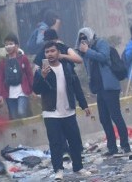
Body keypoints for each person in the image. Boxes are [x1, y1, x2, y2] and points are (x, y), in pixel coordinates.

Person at [33, 41, 91, 181]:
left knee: (75, 141)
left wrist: (84, 105)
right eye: (47, 52)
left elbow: (76, 87)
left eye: (52, 51)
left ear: (58, 53)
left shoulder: (67, 67)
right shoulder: (41, 71)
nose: (50, 54)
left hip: (68, 111)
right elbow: (36, 89)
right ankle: (58, 170)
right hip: (51, 113)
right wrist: (43, 76)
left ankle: (78, 167)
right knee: (55, 143)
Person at [76, 27, 131, 156]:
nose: (83, 41)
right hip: (99, 88)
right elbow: (85, 63)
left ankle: (125, 145)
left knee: (116, 116)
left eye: (85, 38)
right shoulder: (86, 50)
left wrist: (87, 51)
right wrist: (82, 51)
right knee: (104, 118)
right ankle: (112, 147)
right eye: (81, 39)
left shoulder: (101, 43)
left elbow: (103, 57)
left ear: (91, 36)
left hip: (110, 86)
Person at [0, 33, 33, 120]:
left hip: (22, 91)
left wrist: (34, 89)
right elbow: (0, 79)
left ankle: (27, 130)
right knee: (14, 117)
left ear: (16, 45)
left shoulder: (23, 58)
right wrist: (0, 95)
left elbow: (29, 74)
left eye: (10, 44)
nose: (8, 46)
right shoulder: (3, 62)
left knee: (21, 112)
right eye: (6, 44)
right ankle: (19, 134)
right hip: (9, 93)